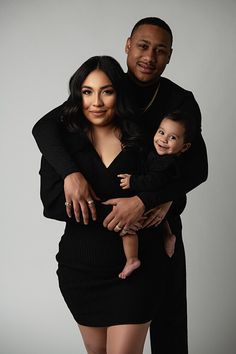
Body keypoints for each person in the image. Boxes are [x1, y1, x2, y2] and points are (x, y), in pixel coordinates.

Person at [32, 17, 208, 354]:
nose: (149, 56)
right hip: (87, 260)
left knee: (170, 323)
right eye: (143, 46)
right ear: (127, 45)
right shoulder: (107, 86)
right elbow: (44, 127)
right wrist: (71, 173)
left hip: (153, 227)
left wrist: (148, 200)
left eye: (160, 50)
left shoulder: (178, 102)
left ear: (170, 55)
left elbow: (195, 168)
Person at [35, 55, 169, 354]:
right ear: (77, 95)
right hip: (80, 269)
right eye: (87, 91)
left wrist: (161, 202)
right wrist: (119, 211)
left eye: (106, 91)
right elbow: (53, 204)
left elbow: (168, 187)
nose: (96, 101)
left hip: (138, 269)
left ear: (119, 93)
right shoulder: (63, 145)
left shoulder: (142, 139)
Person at [118, 111, 195, 258]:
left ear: (184, 147)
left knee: (130, 226)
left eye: (172, 137)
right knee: (160, 218)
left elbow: (154, 180)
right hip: (164, 197)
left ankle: (132, 259)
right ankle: (168, 235)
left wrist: (132, 181)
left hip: (170, 198)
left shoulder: (167, 162)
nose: (163, 140)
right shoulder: (157, 153)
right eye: (161, 132)